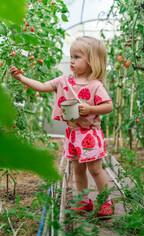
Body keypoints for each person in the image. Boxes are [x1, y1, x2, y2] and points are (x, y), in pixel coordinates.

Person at [10, 36, 114, 218]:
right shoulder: (65, 80)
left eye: (77, 57)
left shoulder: (95, 85)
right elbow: (42, 86)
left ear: (92, 61)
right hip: (73, 134)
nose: (72, 61)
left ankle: (106, 202)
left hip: (90, 133)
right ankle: (84, 201)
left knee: (95, 169)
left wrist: (90, 108)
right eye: (71, 56)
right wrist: (21, 77)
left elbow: (108, 106)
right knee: (78, 169)